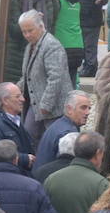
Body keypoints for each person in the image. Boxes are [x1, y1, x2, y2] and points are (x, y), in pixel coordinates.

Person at [17, 9, 73, 146]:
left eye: (30, 30)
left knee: (52, 140)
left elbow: (56, 78)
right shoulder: (30, 46)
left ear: (41, 26)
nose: (27, 35)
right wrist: (12, 91)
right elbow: (27, 77)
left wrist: (46, 105)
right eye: (24, 32)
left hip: (53, 107)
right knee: (29, 136)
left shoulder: (51, 45)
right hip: (35, 102)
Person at [6, 0, 59, 83]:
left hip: (43, 51)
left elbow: (53, 23)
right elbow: (13, 29)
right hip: (18, 54)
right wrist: (30, 23)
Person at [0, 82, 35, 173]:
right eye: (17, 96)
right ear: (5, 100)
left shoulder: (17, 122)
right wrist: (23, 159)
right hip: (4, 177)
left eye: (21, 95)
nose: (23, 99)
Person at [35, 92, 92, 171]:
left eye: (89, 108)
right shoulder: (67, 134)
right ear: (69, 109)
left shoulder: (59, 124)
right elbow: (66, 169)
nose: (88, 112)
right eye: (83, 108)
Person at [49, 0, 85, 84]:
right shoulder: (77, 1)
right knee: (72, 82)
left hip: (60, 45)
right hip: (78, 46)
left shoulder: (56, 0)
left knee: (58, 84)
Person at [76, 0, 109, 76]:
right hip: (82, 20)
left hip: (92, 20)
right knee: (84, 45)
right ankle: (88, 66)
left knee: (90, 45)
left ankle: (90, 67)